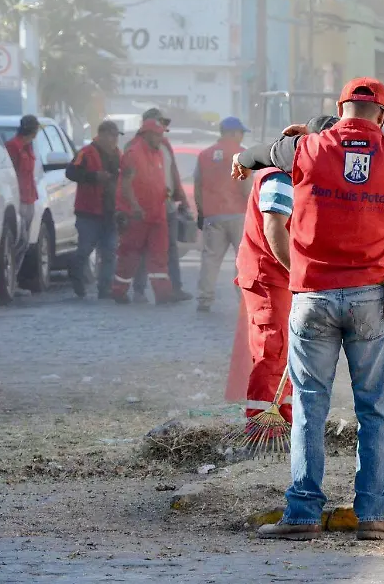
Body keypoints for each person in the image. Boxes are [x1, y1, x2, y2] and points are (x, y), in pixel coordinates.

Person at [232, 78, 384, 541]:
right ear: (383, 116)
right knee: (374, 409)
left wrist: (243, 157)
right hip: (372, 298)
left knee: (311, 407)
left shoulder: (308, 150)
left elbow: (261, 154)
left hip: (312, 296)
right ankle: (373, 515)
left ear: (340, 107)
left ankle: (302, 514)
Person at [232, 114, 335, 426]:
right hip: (269, 273)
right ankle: (263, 422)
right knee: (272, 347)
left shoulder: (301, 171)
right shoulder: (282, 176)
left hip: (279, 274)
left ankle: (283, 416)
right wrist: (300, 274)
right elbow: (275, 230)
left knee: (282, 348)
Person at [132, 107, 192, 303]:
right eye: (159, 123)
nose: (163, 128)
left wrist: (182, 199)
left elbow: (173, 173)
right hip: (145, 206)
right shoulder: (134, 147)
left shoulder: (165, 145)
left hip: (167, 204)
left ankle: (174, 288)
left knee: (170, 248)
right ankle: (139, 290)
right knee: (142, 248)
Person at [112, 119, 177, 304]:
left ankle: (163, 294)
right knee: (129, 255)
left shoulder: (157, 153)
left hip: (157, 214)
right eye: (157, 134)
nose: (161, 138)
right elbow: (125, 184)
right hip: (138, 215)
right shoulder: (133, 154)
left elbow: (155, 181)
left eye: (162, 134)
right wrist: (134, 207)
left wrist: (165, 193)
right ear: (146, 134)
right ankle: (119, 291)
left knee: (159, 254)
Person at [195, 116, 251, 313]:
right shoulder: (242, 154)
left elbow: (198, 187)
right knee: (244, 259)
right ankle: (244, 299)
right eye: (241, 133)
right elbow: (247, 188)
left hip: (212, 215)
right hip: (238, 214)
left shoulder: (204, 155)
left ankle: (204, 299)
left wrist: (202, 212)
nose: (242, 136)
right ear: (233, 133)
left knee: (210, 259)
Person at [65, 120, 122, 299]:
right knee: (85, 250)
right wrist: (93, 177)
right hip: (88, 211)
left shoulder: (117, 155)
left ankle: (105, 289)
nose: (115, 140)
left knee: (110, 251)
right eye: (112, 136)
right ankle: (76, 276)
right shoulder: (86, 152)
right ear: (103, 135)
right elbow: (70, 172)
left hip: (110, 212)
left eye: (116, 136)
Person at [5, 114, 40, 275]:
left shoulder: (28, 146)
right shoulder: (13, 146)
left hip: (29, 197)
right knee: (20, 240)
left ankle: (14, 277)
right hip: (19, 199)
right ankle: (10, 277)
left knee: (24, 242)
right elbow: (11, 174)